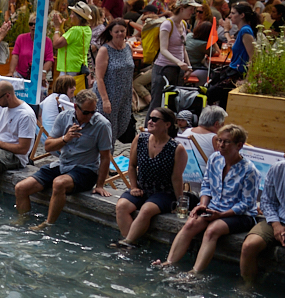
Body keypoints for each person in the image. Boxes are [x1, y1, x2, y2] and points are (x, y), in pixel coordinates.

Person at [155, 124, 260, 274]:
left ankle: (194, 273)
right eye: (219, 140)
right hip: (214, 208)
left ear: (239, 145)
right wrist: (203, 205)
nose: (221, 145)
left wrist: (221, 215)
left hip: (240, 215)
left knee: (212, 230)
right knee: (190, 223)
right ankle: (169, 262)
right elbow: (207, 186)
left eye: (226, 142)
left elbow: (247, 203)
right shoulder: (215, 159)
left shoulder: (249, 170)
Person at [15, 89, 113, 230]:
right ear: (76, 107)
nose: (90, 116)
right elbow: (48, 146)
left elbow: (105, 157)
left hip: (86, 169)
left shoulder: (102, 125)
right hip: (63, 164)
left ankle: (48, 225)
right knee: (21, 188)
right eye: (86, 112)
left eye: (93, 112)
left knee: (59, 183)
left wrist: (100, 185)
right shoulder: (64, 117)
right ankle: (22, 221)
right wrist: (65, 138)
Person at [111, 106, 187, 248]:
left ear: (167, 124)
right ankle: (130, 243)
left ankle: (126, 243)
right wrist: (133, 187)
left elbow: (177, 178)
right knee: (121, 206)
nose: (150, 121)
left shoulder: (177, 149)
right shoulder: (140, 139)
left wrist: (179, 202)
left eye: (155, 119)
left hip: (164, 192)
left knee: (146, 210)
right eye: (150, 118)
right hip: (142, 188)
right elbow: (132, 166)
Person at [149, 0, 199, 113]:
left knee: (174, 103)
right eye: (190, 9)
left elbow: (183, 48)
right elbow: (163, 49)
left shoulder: (184, 24)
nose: (192, 12)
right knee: (157, 102)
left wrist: (188, 66)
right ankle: (150, 123)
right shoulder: (167, 24)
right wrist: (179, 62)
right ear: (182, 9)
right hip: (164, 68)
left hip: (178, 69)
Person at [241, 159, 285, 285]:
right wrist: (276, 225)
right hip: (277, 219)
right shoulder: (278, 168)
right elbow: (267, 201)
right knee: (249, 245)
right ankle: (248, 286)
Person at [94, 18, 135, 142]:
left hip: (124, 96)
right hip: (109, 95)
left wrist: (132, 94)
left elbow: (129, 73)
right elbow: (99, 77)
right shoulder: (104, 50)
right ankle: (106, 153)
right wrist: (105, 100)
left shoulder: (128, 48)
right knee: (108, 132)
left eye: (122, 31)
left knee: (121, 127)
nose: (120, 34)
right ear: (111, 32)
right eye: (116, 31)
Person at [51, 1, 94, 89]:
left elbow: (56, 44)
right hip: (78, 67)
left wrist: (57, 28)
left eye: (72, 14)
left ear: (79, 18)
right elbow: (66, 41)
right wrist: (62, 28)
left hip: (69, 69)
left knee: (64, 93)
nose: (70, 16)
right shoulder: (87, 29)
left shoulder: (75, 30)